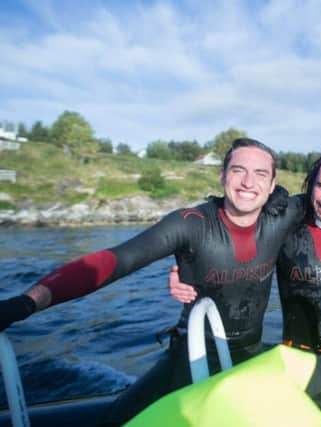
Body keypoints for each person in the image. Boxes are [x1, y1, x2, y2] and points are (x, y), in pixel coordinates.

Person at [0, 138, 304, 425]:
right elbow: (117, 260)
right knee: (118, 420)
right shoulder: (190, 224)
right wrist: (27, 302)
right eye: (239, 170)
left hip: (249, 357)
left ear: (273, 184)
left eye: (260, 174)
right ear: (222, 175)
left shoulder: (282, 214)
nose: (249, 183)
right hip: (191, 354)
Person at [170, 150, 321, 368]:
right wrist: (190, 273)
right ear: (311, 185)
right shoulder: (284, 230)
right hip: (297, 359)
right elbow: (236, 256)